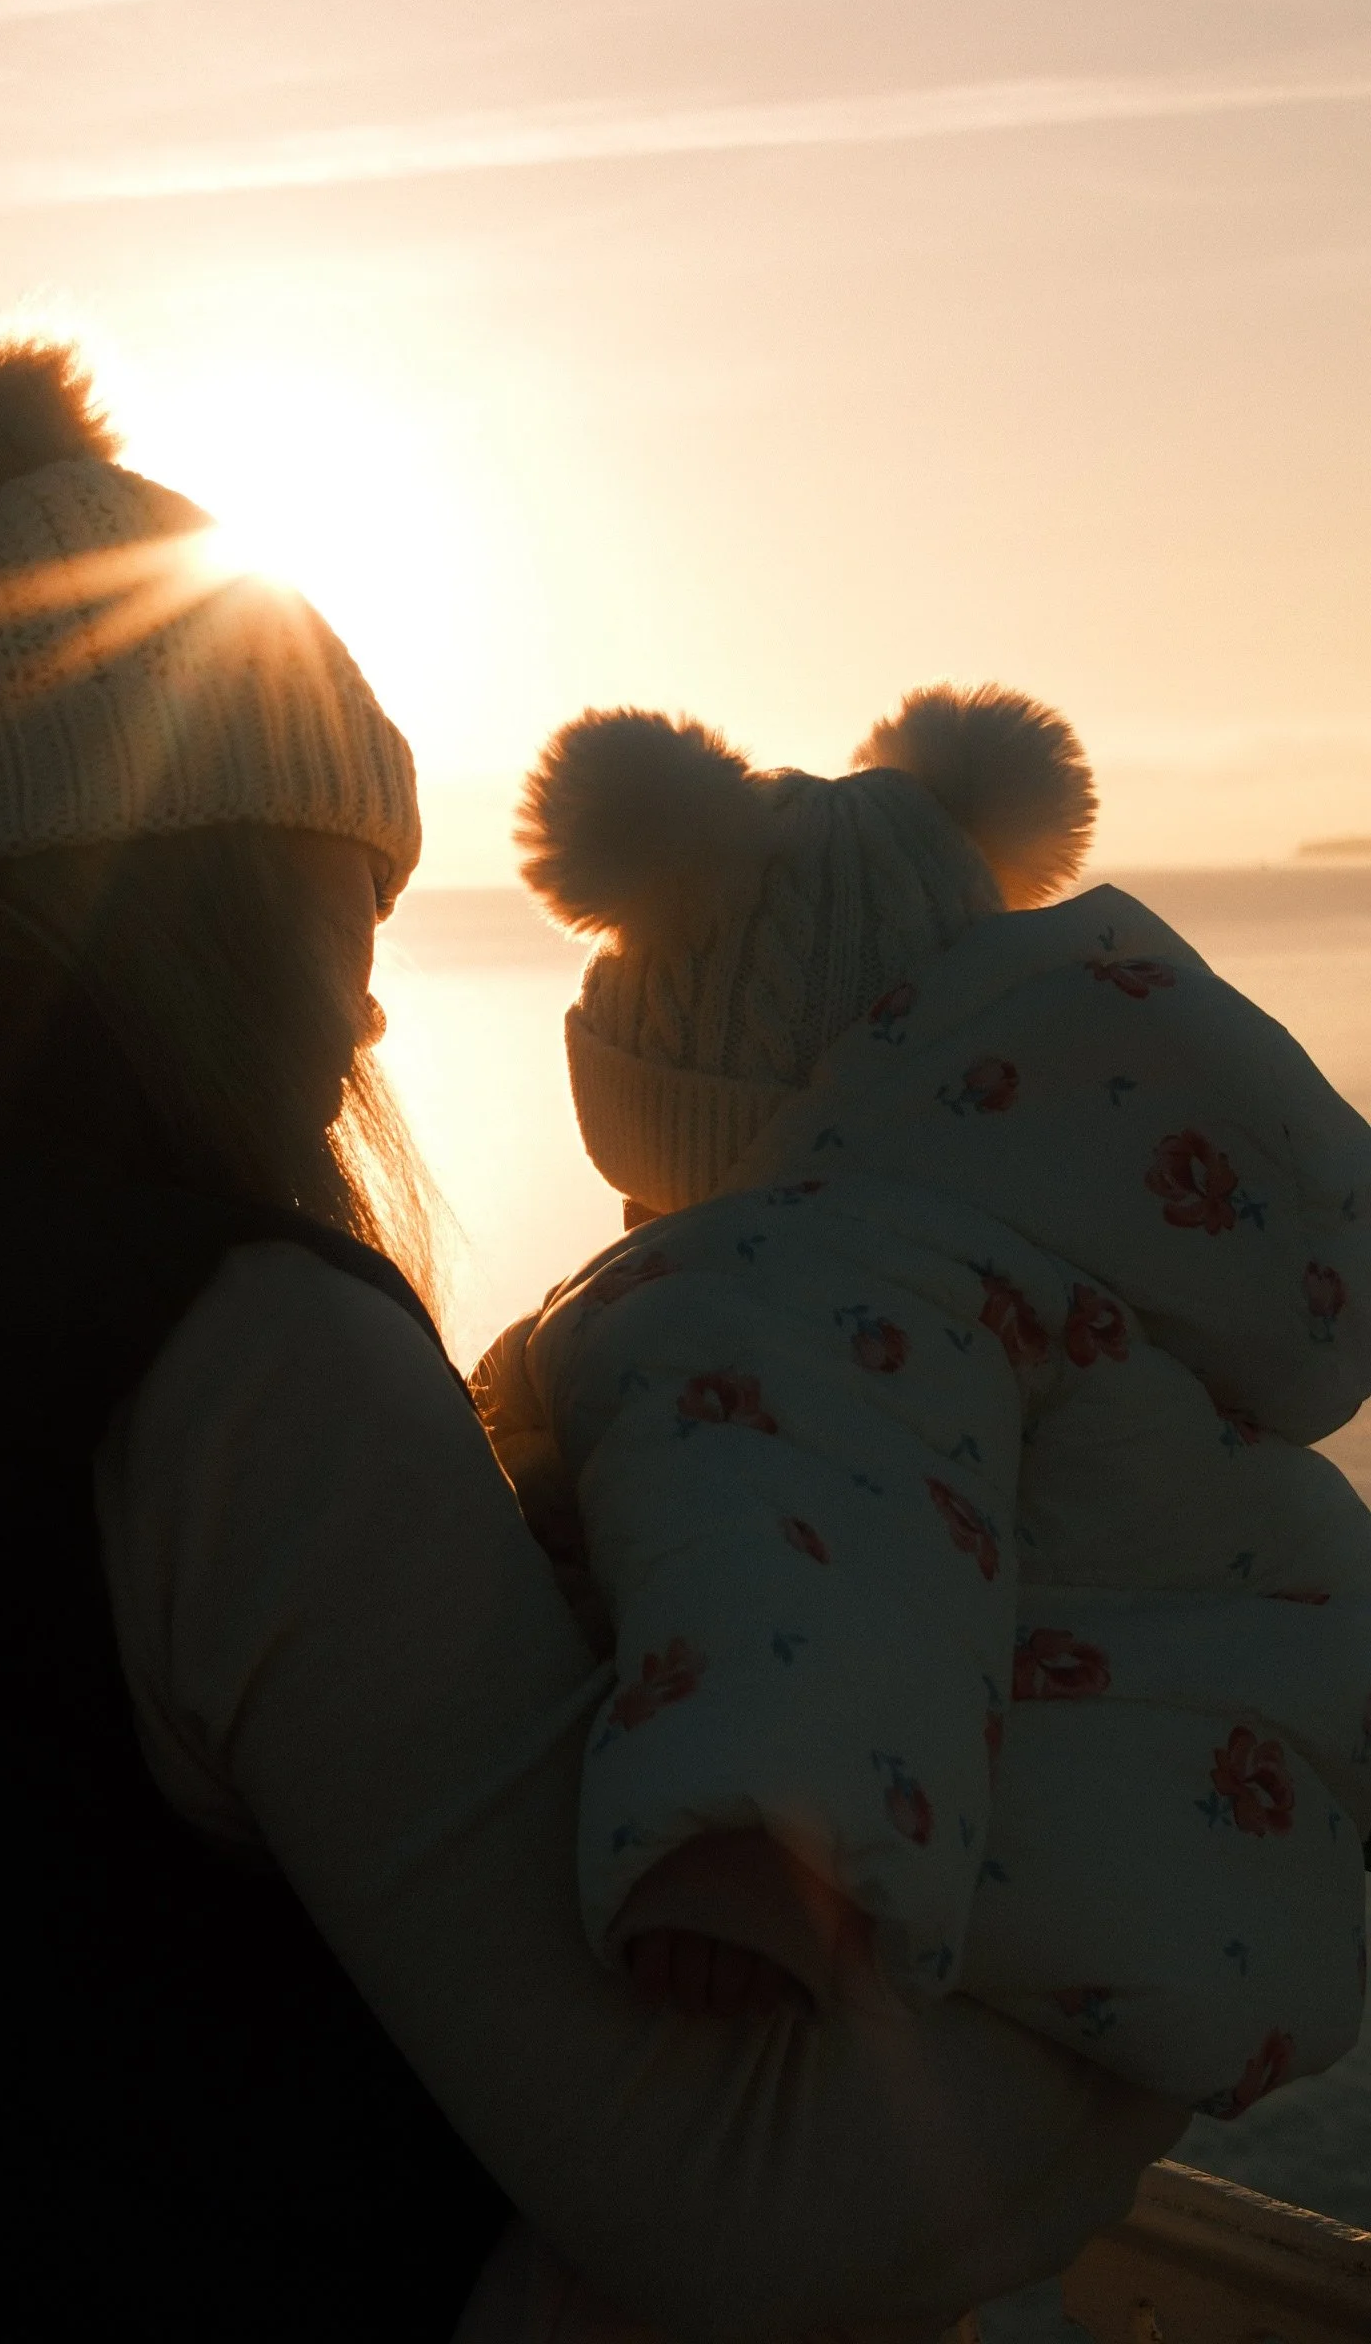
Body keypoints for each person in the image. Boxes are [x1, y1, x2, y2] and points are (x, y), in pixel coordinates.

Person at [0, 342, 1179, 2342]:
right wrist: (1203, 1944)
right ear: (232, 894)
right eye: (352, 910)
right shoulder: (221, 1350)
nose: (370, 1016)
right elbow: (737, 2198)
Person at [475, 690, 1371, 2117]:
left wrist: (751, 1844)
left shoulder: (795, 1285)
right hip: (1236, 1876)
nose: (633, 1216)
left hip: (977, 1894)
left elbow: (820, 1544)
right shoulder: (1055, 1296)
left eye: (644, 1180)